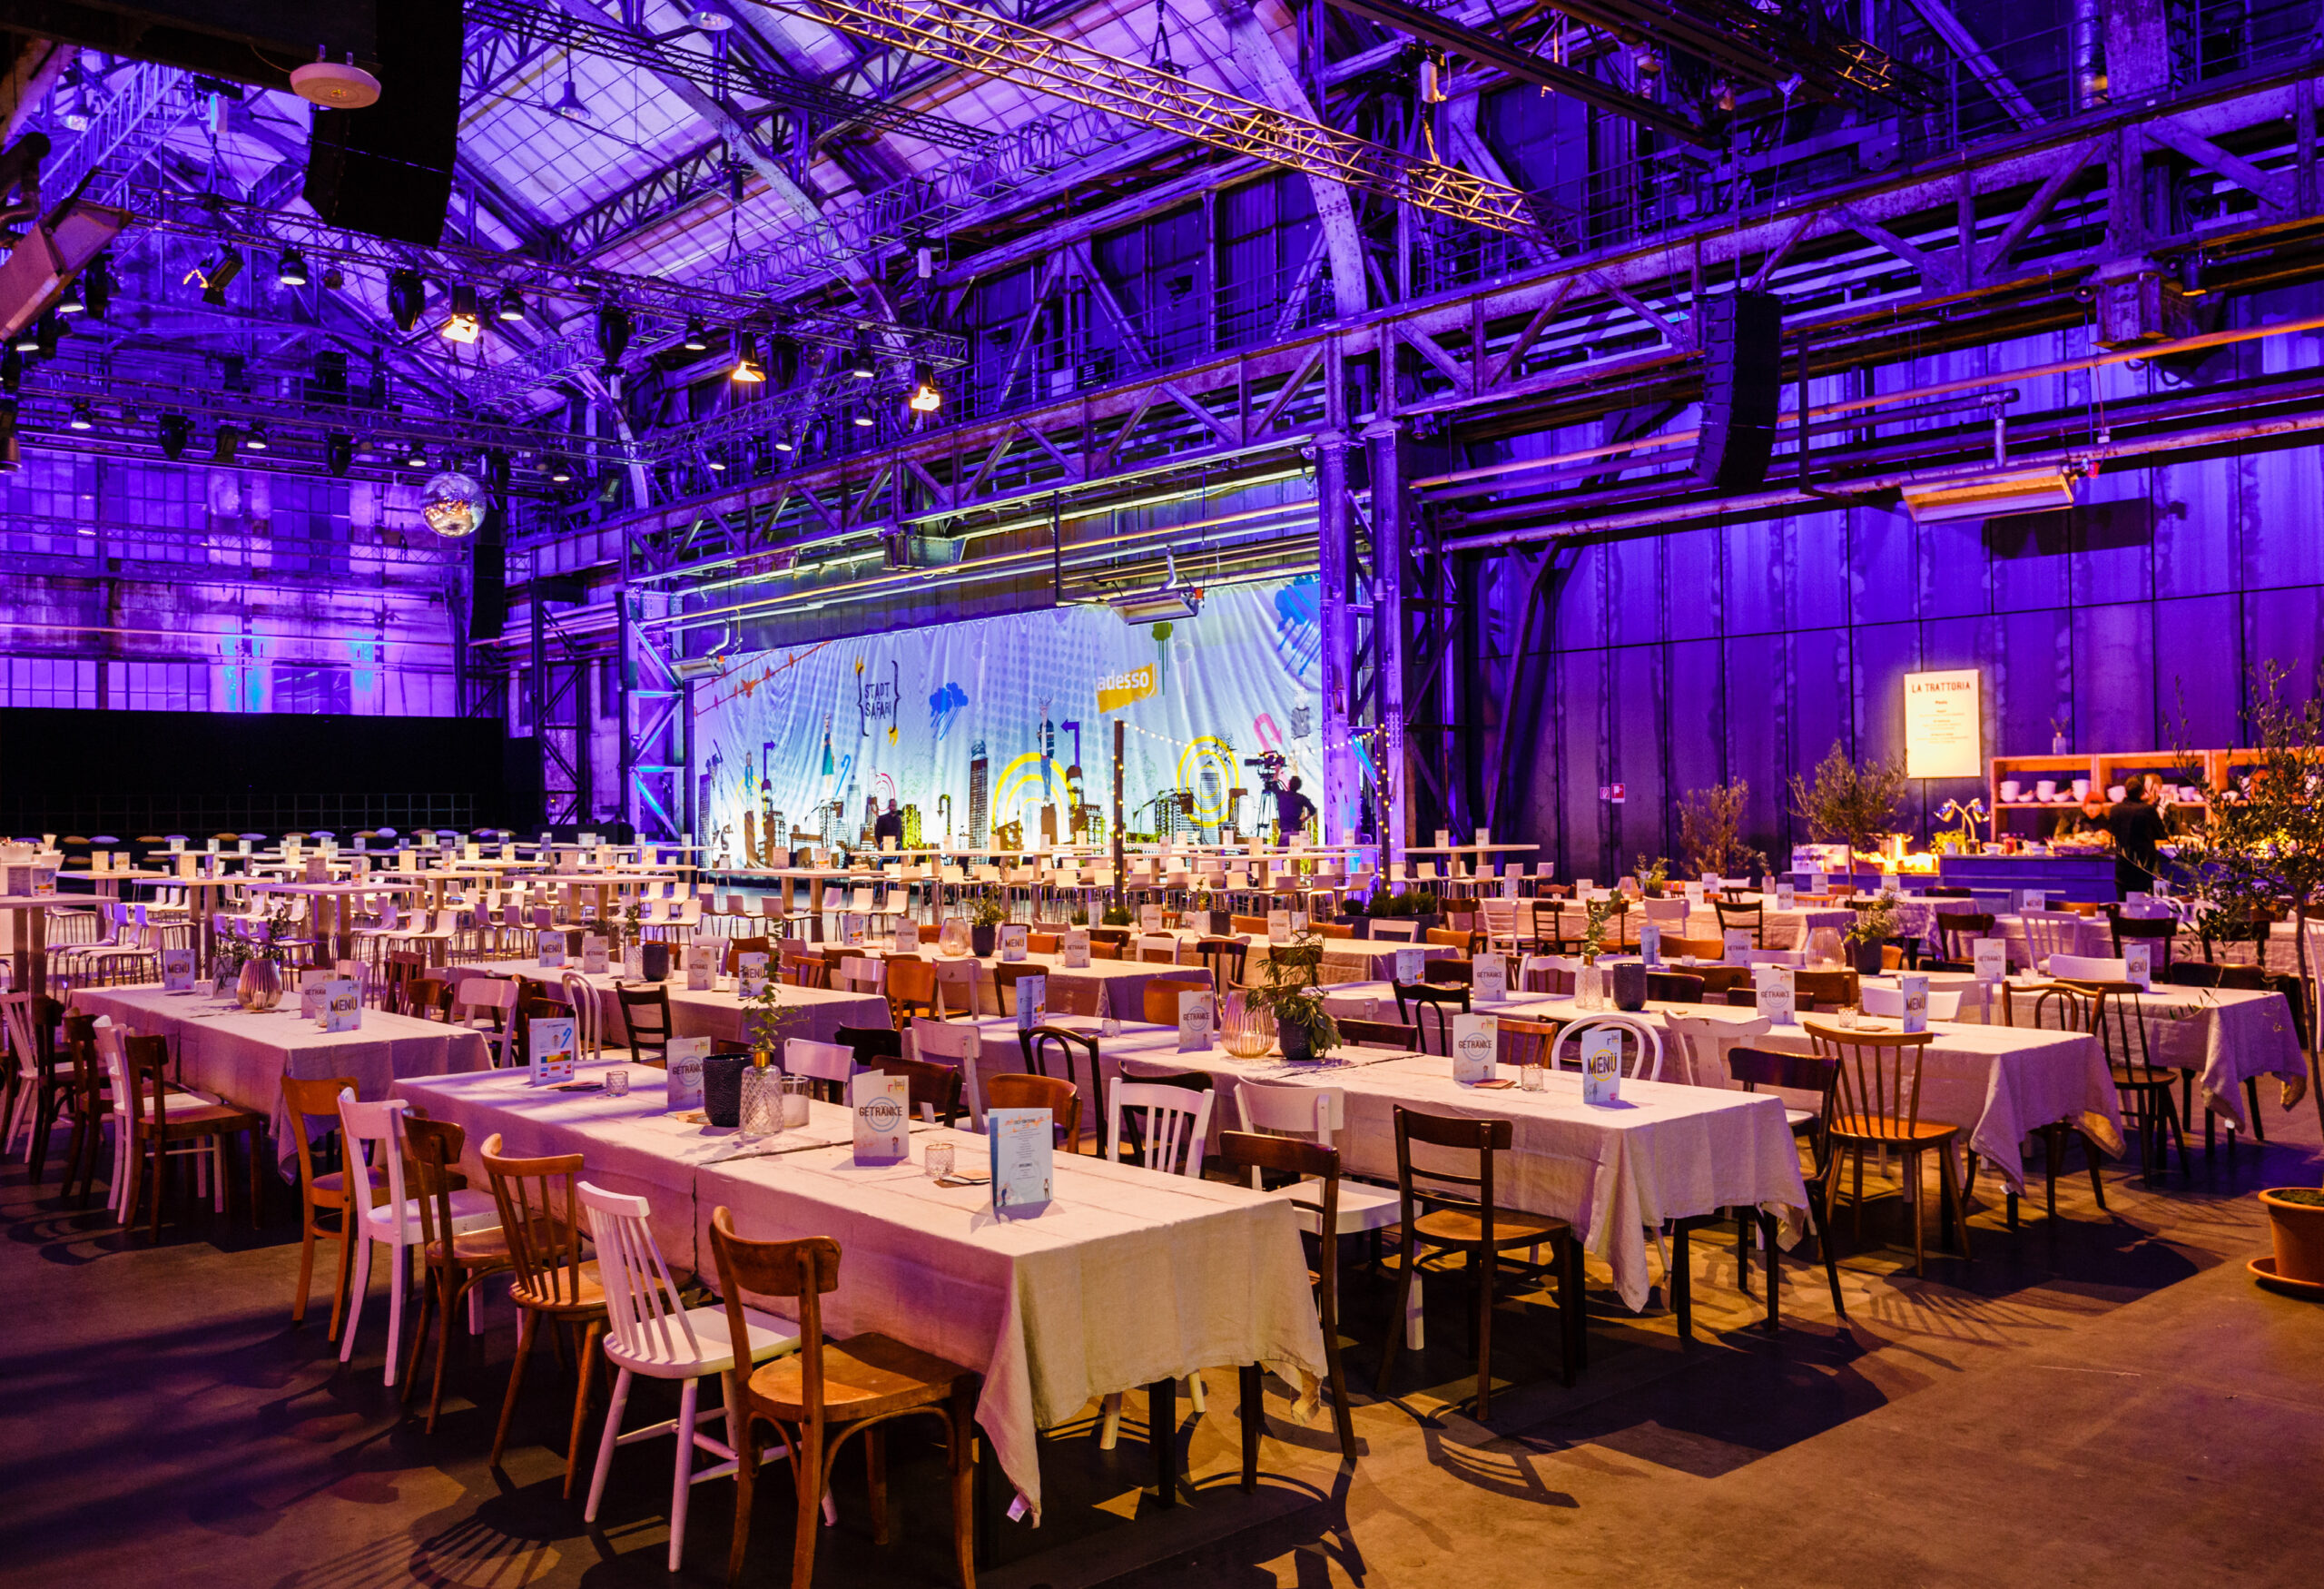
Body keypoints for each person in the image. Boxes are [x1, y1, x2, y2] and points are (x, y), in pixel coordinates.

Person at [2105, 775, 2168, 896]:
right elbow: (2161, 834)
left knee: (2123, 907)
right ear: (2143, 792)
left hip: (2122, 867)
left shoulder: (2114, 809)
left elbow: (2112, 831)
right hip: (2142, 867)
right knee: (2144, 908)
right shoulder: (2147, 810)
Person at [1274, 775, 1315, 844]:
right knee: (1297, 855)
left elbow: (1274, 784)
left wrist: (1277, 771)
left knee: (1281, 854)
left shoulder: (1281, 795)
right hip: (1297, 832)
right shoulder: (1301, 798)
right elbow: (1313, 810)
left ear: (1289, 784)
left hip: (1285, 832)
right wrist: (1304, 820)